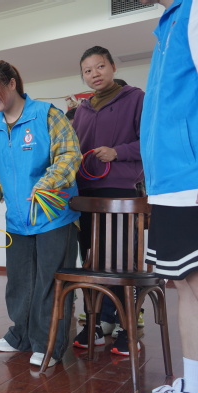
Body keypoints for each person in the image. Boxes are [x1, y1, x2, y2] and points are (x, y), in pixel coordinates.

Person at [0, 60, 81, 367]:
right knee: (19, 283)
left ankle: (48, 343)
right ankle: (20, 335)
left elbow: (70, 154)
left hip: (53, 216)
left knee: (50, 283)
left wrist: (47, 183)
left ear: (12, 83)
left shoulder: (47, 114)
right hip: (18, 221)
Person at [132, 0, 198, 393]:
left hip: (191, 179)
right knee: (186, 286)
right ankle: (192, 387)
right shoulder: (169, 24)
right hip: (171, 184)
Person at [71, 45, 145, 356]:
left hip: (121, 194)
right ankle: (97, 325)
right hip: (86, 196)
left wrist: (118, 152)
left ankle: (128, 329)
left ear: (113, 67)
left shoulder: (136, 98)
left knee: (122, 263)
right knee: (92, 262)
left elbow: (150, 142)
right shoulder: (81, 111)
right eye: (87, 71)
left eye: (100, 66)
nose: (94, 74)